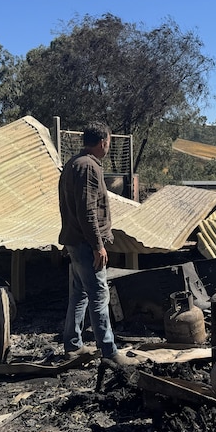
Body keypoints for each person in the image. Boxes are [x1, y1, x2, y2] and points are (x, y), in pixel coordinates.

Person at [59, 122, 138, 366]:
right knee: (99, 295)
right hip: (85, 244)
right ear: (103, 142)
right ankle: (109, 351)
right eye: (109, 143)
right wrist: (98, 245)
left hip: (75, 240)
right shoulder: (88, 167)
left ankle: (73, 345)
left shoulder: (74, 163)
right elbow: (87, 210)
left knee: (79, 294)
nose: (108, 147)